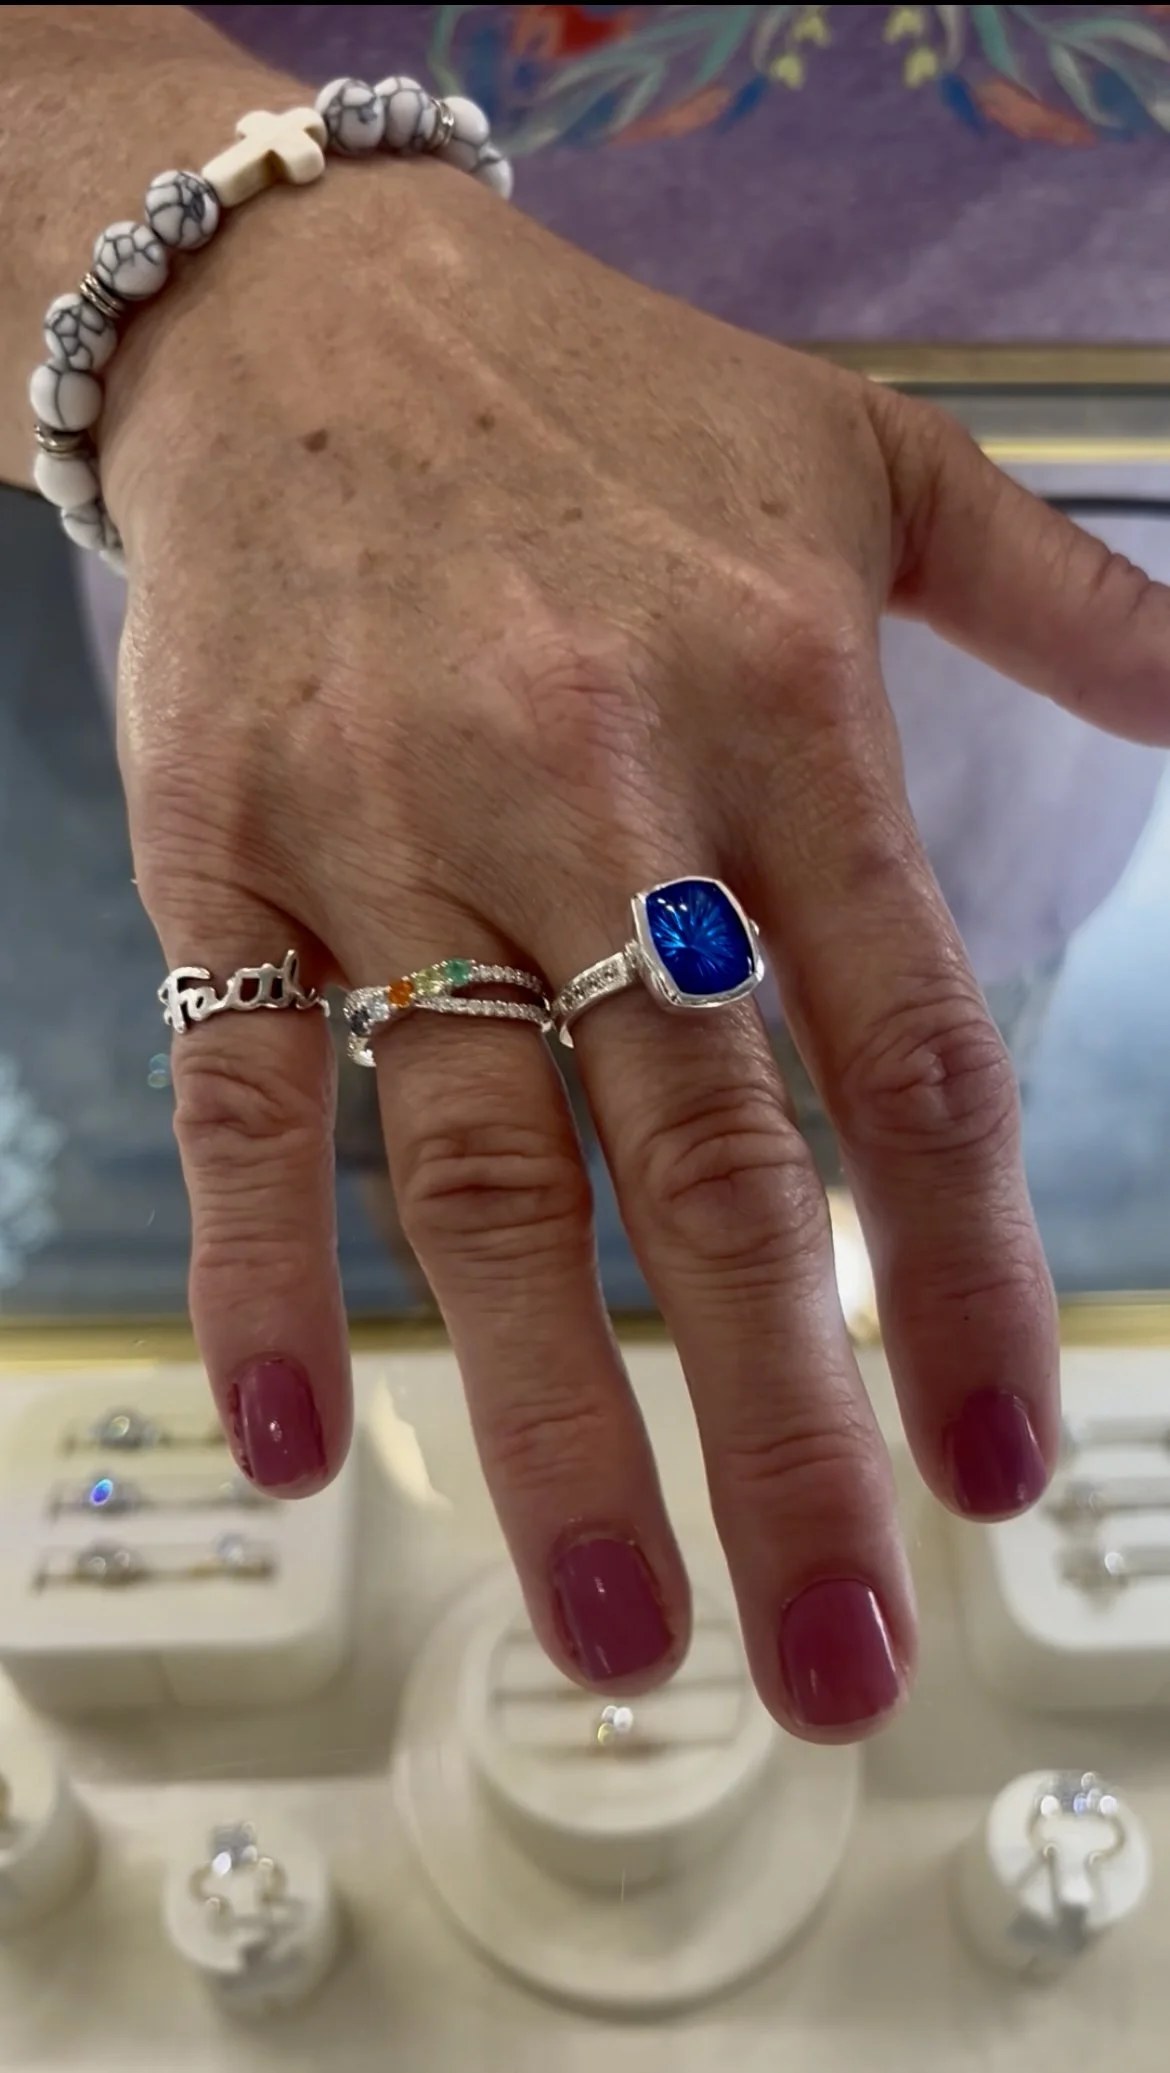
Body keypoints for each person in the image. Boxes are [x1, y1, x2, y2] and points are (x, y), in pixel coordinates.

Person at [3, 3, 1169, 1746]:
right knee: (422, 1149)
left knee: (896, 1091)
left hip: (972, 678)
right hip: (282, 597)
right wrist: (226, 259)